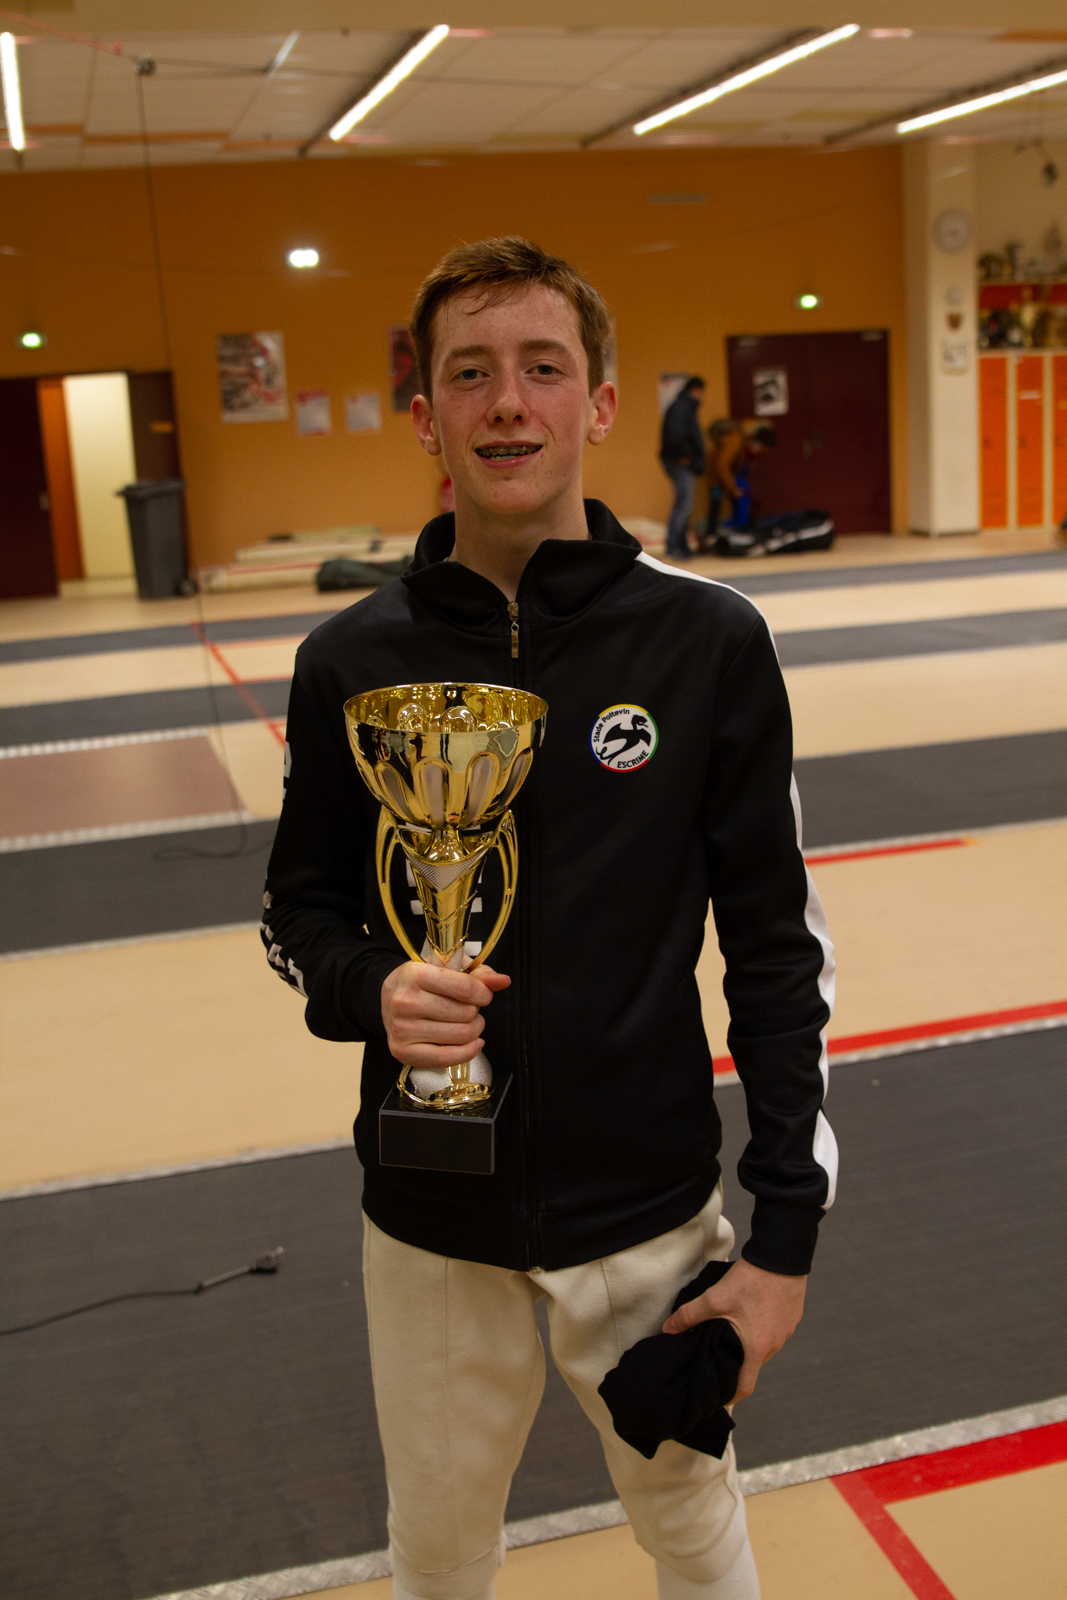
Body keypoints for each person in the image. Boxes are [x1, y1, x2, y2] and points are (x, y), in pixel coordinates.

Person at [262, 237, 837, 1600]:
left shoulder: (706, 643)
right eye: (469, 374)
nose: (507, 402)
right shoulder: (349, 662)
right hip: (429, 1217)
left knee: (695, 1535)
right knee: (436, 1558)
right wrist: (368, 988)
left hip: (646, 1217)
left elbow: (775, 948)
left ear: (600, 403)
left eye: (541, 367)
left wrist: (781, 1241)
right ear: (426, 416)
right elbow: (297, 909)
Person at [704, 418, 776, 545]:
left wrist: (751, 457)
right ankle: (710, 537)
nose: (761, 450)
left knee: (737, 502)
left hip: (727, 478)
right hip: (715, 479)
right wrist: (733, 488)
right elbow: (722, 465)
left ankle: (733, 533)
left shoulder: (746, 444)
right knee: (716, 503)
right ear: (756, 440)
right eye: (762, 447)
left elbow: (741, 465)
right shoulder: (736, 441)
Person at [659, 376, 707, 558]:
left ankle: (682, 545)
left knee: (685, 505)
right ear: (696, 390)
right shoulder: (682, 406)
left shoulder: (683, 406)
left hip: (680, 460)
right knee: (683, 505)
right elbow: (676, 435)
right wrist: (686, 456)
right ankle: (674, 546)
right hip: (680, 461)